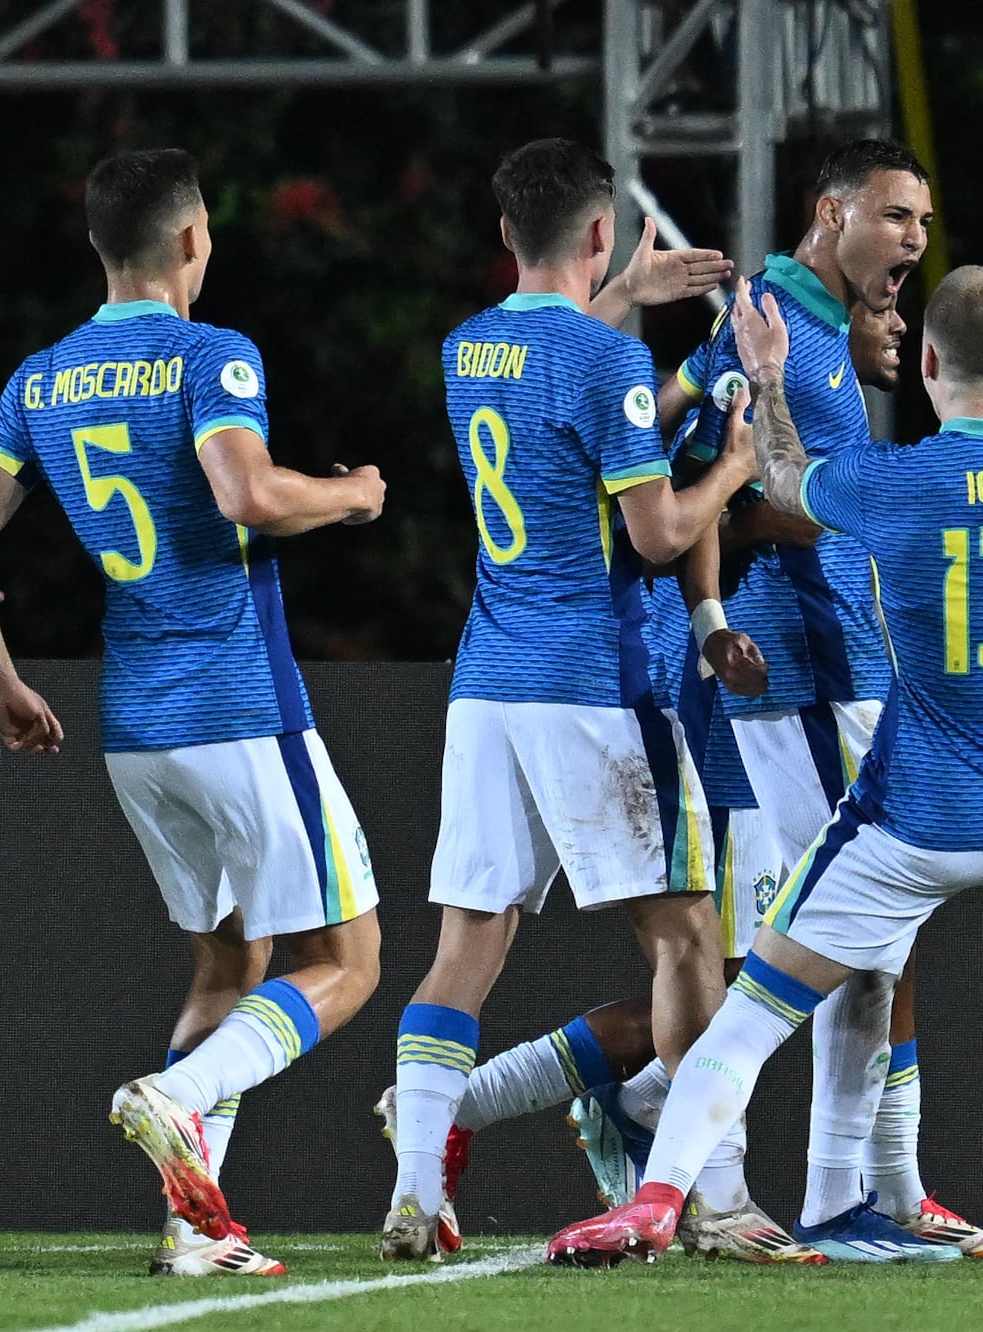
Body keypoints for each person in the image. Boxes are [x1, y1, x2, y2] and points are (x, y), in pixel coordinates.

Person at [545, 266, 983, 1268]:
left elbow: (792, 482)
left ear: (925, 363)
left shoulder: (895, 484)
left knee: (755, 1002)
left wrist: (763, 381)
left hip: (912, 815)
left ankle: (656, 1198)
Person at [387, 305, 920, 1267]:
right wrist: (749, 468)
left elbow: (614, 434)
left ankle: (464, 1139)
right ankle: (721, 1193)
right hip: (678, 711)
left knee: (730, 976)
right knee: (721, 965)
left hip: (545, 681)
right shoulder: (712, 369)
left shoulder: (493, 346)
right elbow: (684, 516)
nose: (893, 312)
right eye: (886, 288)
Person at [0, 148, 388, 1277]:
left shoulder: (42, 378)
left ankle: (194, 1230)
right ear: (191, 240)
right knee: (350, 958)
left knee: (229, 966)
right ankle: (175, 1096)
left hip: (136, 725)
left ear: (101, 247)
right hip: (239, 707)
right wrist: (351, 495)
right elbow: (248, 493)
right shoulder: (208, 353)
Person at [625, 139, 983, 1263]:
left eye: (923, 222)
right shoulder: (771, 325)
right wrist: (709, 623)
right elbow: (707, 482)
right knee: (842, 928)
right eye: (896, 215)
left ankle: (866, 1189)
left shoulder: (815, 326)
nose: (914, 240)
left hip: (844, 668)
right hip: (795, 671)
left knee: (867, 934)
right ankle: (786, 1190)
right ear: (830, 211)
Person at [377, 138, 754, 1262]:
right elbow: (655, 533)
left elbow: (560, 393)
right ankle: (711, 1195)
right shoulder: (606, 368)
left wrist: (627, 300)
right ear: (599, 234)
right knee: (690, 938)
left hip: (486, 685)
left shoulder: (466, 348)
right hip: (592, 683)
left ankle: (412, 1189)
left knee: (464, 950)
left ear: (507, 235)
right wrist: (728, 470)